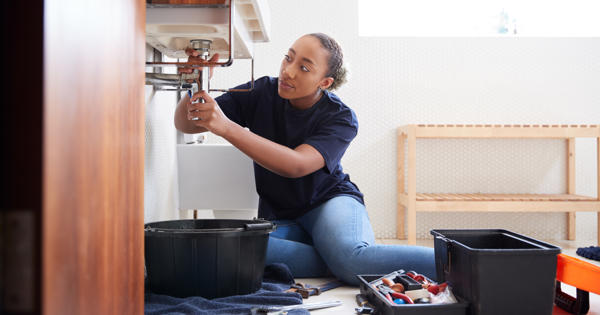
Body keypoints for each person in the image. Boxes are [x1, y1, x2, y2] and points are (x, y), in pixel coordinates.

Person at [174, 33, 435, 285]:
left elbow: (295, 165)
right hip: (281, 214)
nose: (288, 71)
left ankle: (457, 258)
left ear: (325, 83)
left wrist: (228, 127)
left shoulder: (341, 118)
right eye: (288, 58)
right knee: (234, 250)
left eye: (305, 68)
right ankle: (336, 257)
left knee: (351, 259)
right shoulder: (262, 91)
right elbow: (188, 123)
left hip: (329, 201)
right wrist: (195, 81)